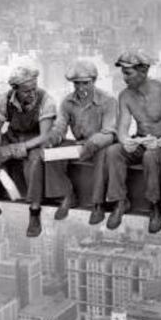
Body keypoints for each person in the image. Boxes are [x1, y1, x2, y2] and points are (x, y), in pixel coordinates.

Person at [0, 63, 57, 237]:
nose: (32, 93)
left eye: (34, 88)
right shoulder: (5, 99)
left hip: (34, 141)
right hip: (13, 135)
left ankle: (34, 211)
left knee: (34, 162)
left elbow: (44, 136)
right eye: (27, 91)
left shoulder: (46, 100)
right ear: (16, 89)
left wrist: (14, 150)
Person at [105, 50, 161, 233]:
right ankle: (120, 202)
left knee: (151, 157)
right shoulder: (125, 96)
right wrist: (125, 141)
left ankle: (155, 206)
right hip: (141, 141)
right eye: (123, 72)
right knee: (114, 152)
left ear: (143, 72)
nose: (124, 77)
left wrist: (160, 142)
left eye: (128, 73)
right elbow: (122, 127)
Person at [44, 59, 117, 224]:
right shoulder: (68, 101)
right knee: (51, 154)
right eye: (77, 84)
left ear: (94, 81)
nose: (81, 88)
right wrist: (52, 138)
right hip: (79, 144)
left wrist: (93, 144)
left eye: (85, 83)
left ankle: (98, 204)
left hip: (100, 144)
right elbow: (60, 126)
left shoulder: (108, 101)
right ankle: (67, 194)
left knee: (103, 154)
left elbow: (110, 131)